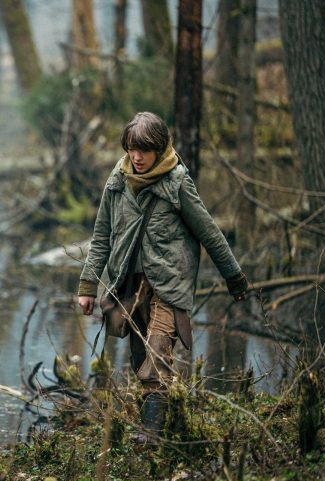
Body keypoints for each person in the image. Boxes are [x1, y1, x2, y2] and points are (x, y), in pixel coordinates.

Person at [77, 112, 248, 442]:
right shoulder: (117, 180)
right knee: (141, 357)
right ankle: (162, 426)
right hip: (130, 284)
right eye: (131, 149)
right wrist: (87, 286)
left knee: (157, 354)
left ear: (160, 147)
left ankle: (151, 436)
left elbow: (209, 232)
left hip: (170, 283)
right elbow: (101, 236)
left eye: (143, 150)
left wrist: (234, 277)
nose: (136, 157)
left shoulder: (177, 182)